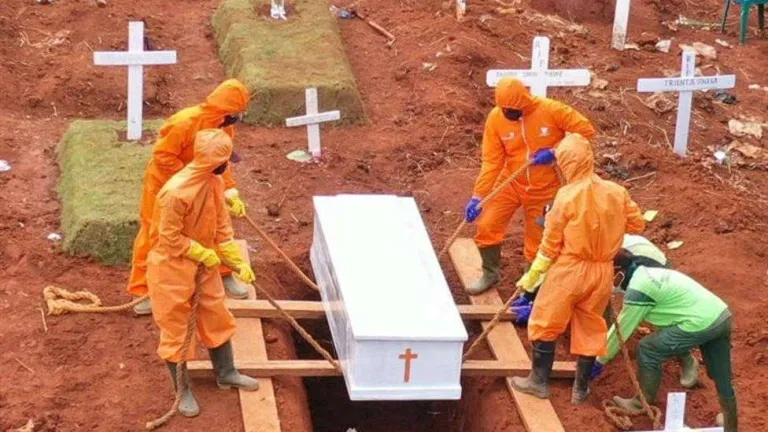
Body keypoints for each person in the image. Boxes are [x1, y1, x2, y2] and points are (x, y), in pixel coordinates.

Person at [508, 133, 646, 405]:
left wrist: (533, 276)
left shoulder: (566, 196)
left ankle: (538, 382)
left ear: (567, 163)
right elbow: (637, 224)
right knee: (591, 326)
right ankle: (580, 389)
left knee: (545, 321)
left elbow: (550, 244)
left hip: (569, 269)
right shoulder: (616, 192)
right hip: (602, 271)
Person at [147, 129, 259, 417]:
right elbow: (169, 238)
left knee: (216, 315)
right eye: (225, 161)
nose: (228, 166)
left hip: (204, 265)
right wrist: (199, 252)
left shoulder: (214, 181)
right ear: (214, 161)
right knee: (177, 329)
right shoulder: (175, 194)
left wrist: (237, 263)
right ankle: (182, 389)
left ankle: (226, 372)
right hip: (172, 269)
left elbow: (221, 227)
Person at [463, 77, 596, 295]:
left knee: (537, 241)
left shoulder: (552, 110)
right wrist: (478, 196)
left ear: (524, 102)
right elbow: (492, 161)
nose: (508, 113)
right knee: (487, 224)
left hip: (545, 188)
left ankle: (530, 290)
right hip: (511, 182)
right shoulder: (495, 119)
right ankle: (490, 274)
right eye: (505, 109)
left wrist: (555, 151)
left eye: (513, 109)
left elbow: (586, 130)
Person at [129, 79, 251, 315]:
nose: (238, 117)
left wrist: (229, 190)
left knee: (214, 225)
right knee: (154, 234)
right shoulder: (184, 123)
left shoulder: (224, 126)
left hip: (202, 182)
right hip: (164, 185)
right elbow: (163, 156)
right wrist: (191, 179)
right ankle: (142, 289)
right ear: (225, 108)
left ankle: (224, 274)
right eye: (236, 111)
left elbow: (221, 160)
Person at [590, 250, 738, 431]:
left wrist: (598, 360)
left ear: (619, 272)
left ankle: (640, 402)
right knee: (720, 373)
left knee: (648, 348)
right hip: (721, 316)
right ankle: (731, 424)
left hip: (700, 323)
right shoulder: (647, 273)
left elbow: (621, 330)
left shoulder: (638, 291)